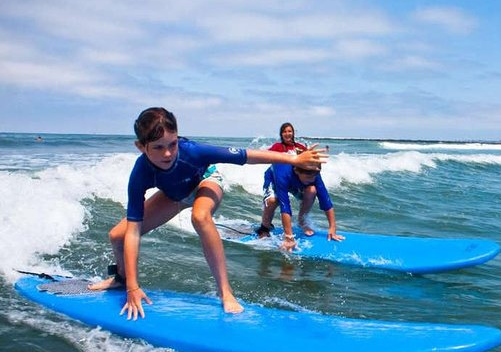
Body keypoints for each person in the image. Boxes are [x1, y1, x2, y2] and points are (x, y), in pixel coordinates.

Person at [88, 107, 327, 320]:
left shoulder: (193, 151)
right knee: (117, 236)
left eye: (172, 144)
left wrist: (293, 158)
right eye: (158, 148)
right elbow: (133, 230)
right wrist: (133, 287)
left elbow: (247, 156)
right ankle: (121, 280)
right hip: (175, 195)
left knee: (200, 216)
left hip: (206, 181)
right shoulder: (139, 173)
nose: (168, 154)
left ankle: (225, 291)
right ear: (141, 147)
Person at [256, 162, 344, 251]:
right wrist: (289, 237)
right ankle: (264, 228)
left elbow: (325, 200)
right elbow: (285, 206)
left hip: (297, 181)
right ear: (297, 171)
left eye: (314, 177)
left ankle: (301, 221)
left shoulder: (313, 173)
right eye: (309, 178)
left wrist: (332, 228)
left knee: (312, 190)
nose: (312, 180)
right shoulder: (283, 173)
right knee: (273, 201)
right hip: (274, 179)